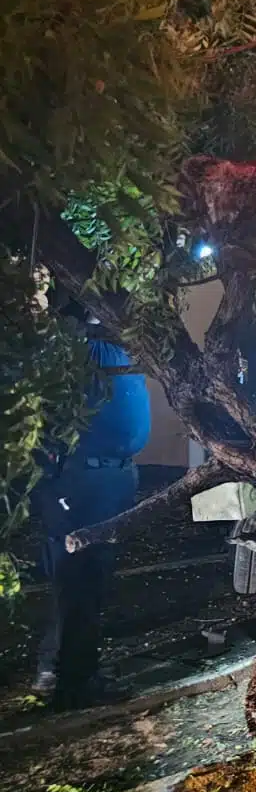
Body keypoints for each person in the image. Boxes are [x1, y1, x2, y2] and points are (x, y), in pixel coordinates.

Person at [32, 303, 150, 709]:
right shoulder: (79, 346)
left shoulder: (118, 345)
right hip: (80, 478)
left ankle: (59, 670)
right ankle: (73, 683)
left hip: (112, 475)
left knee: (87, 581)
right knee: (77, 578)